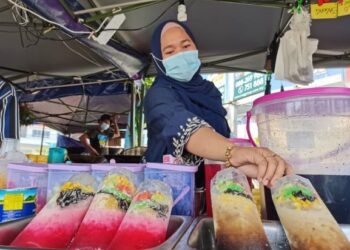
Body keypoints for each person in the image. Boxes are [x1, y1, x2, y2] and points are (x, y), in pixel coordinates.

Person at [144, 21, 292, 187]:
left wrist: (257, 167)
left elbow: (218, 147)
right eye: (170, 51)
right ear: (158, 60)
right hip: (168, 195)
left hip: (214, 190)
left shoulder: (210, 92)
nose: (180, 54)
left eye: (186, 46)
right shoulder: (158, 94)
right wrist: (234, 152)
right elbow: (185, 128)